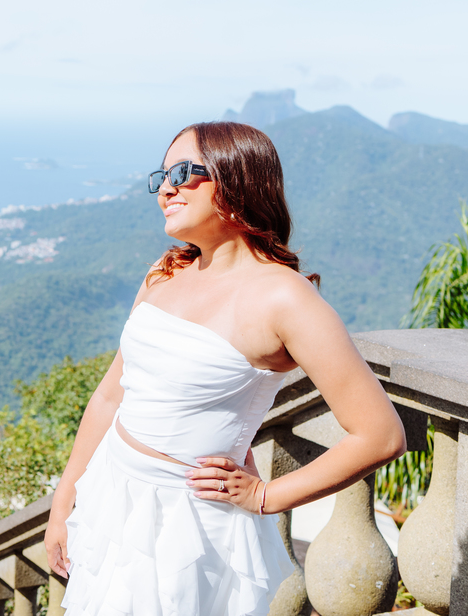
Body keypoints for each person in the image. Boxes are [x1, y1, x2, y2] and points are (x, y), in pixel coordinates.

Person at [44, 121, 406, 616]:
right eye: (162, 176)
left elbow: (380, 435)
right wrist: (65, 499)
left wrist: (265, 496)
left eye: (184, 173)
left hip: (189, 526)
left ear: (237, 179)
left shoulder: (285, 299)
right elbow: (111, 395)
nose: (166, 188)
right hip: (113, 493)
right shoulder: (165, 273)